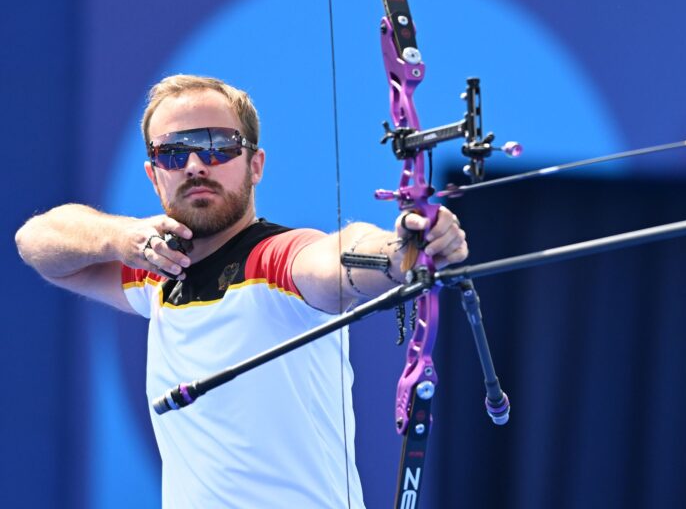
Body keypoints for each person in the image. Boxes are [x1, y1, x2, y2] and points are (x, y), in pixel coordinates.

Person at [14, 74, 468, 508]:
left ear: (255, 165)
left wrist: (405, 251)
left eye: (217, 147)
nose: (194, 165)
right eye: (173, 152)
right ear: (155, 176)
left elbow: (337, 258)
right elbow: (36, 243)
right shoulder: (157, 272)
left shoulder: (276, 262)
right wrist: (120, 238)